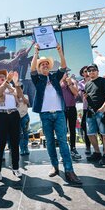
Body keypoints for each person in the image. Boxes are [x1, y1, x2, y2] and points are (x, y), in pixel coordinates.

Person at [30, 43, 82, 184]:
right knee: (50, 142)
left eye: (47, 64)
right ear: (40, 68)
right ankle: (54, 166)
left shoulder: (54, 77)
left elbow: (63, 67)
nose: (45, 65)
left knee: (63, 142)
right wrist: (36, 52)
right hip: (45, 115)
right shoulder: (37, 78)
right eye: (42, 64)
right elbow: (32, 69)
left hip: (59, 113)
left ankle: (69, 170)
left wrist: (60, 52)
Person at [0, 69, 22, 181]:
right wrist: (7, 82)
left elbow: (20, 96)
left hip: (14, 115)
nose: (3, 77)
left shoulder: (11, 87)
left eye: (4, 76)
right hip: (1, 116)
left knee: (15, 144)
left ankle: (16, 168)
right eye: (0, 77)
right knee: (0, 145)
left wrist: (16, 83)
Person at [83, 64, 105, 165]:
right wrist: (86, 97)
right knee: (90, 134)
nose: (91, 72)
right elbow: (89, 97)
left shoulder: (103, 81)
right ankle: (97, 153)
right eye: (89, 70)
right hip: (90, 112)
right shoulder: (87, 84)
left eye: (94, 70)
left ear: (97, 71)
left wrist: (103, 108)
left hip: (102, 112)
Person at [60, 70, 81, 160]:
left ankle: (73, 149)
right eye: (64, 72)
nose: (66, 74)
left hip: (72, 108)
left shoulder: (73, 81)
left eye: (66, 72)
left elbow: (76, 93)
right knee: (62, 131)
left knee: (72, 129)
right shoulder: (58, 82)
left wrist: (69, 84)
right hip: (61, 110)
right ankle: (63, 151)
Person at [77, 66, 92, 155]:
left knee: (101, 128)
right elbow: (79, 95)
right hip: (86, 108)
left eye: (89, 71)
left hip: (98, 107)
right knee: (86, 128)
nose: (88, 72)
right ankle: (88, 147)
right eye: (86, 71)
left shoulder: (96, 80)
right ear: (82, 73)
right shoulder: (80, 83)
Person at [17, 85, 31, 156]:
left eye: (20, 89)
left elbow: (27, 102)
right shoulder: (14, 96)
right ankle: (22, 149)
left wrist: (21, 96)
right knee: (19, 134)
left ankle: (26, 148)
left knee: (25, 133)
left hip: (25, 116)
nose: (18, 90)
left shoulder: (25, 96)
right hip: (17, 118)